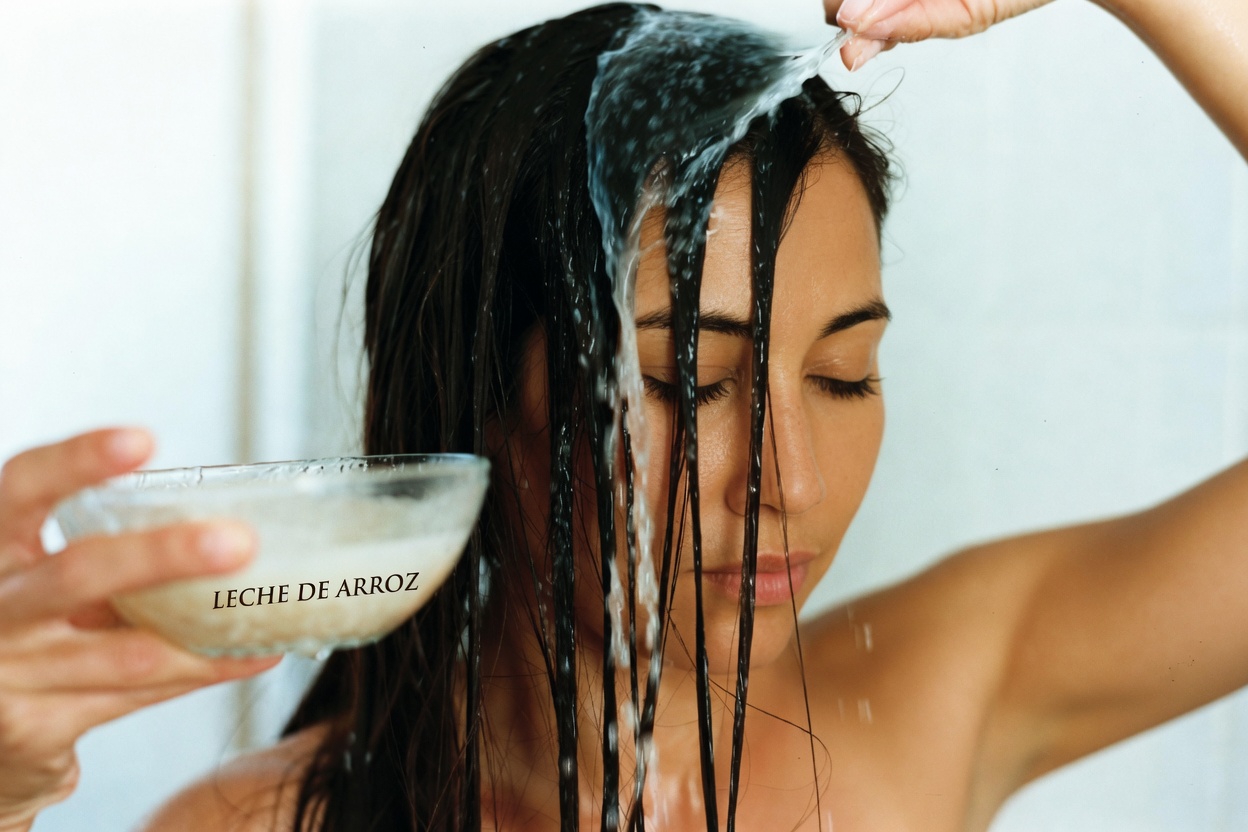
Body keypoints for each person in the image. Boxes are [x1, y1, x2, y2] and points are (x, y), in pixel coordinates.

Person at [1, 0, 1244, 829]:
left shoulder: (943, 699)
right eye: (687, 381)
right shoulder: (267, 822)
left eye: (844, 376)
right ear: (483, 396)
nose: (788, 480)